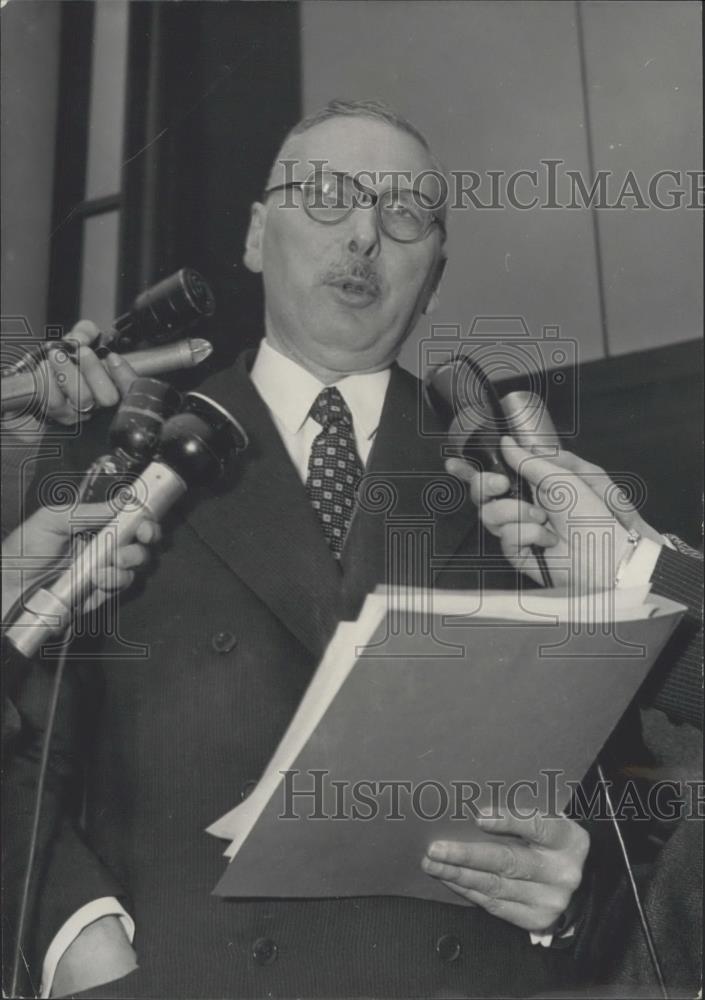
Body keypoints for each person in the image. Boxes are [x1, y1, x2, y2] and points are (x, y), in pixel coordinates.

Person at [3, 100, 700, 999]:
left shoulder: (522, 487)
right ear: (257, 234)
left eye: (405, 212)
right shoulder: (112, 449)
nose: (364, 234)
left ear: (435, 276)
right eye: (327, 195)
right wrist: (78, 941)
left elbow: (624, 794)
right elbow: (17, 746)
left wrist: (575, 886)